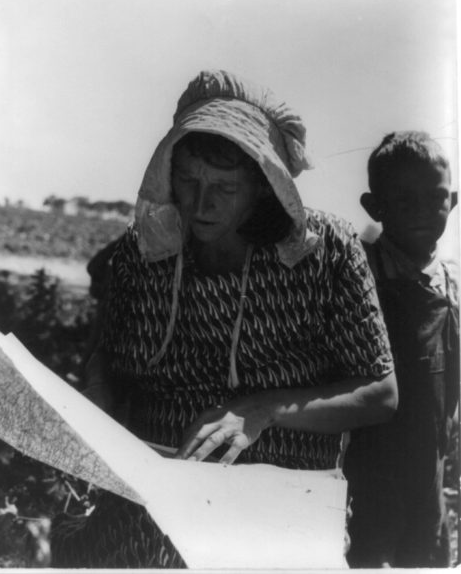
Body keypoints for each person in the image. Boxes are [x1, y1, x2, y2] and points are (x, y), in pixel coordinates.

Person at [51, 69, 397, 568]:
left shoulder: (327, 253)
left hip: (277, 508)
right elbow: (109, 357)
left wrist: (263, 409)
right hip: (151, 502)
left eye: (224, 186)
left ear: (263, 185)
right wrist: (95, 399)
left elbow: (381, 394)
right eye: (188, 181)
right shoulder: (143, 253)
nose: (200, 202)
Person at [344, 131, 459, 568]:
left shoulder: (450, 283)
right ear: (375, 207)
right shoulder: (361, 270)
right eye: (404, 201)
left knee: (425, 556)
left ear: (453, 200)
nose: (424, 213)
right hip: (369, 468)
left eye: (435, 199)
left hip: (428, 464)